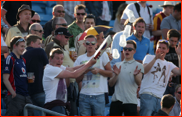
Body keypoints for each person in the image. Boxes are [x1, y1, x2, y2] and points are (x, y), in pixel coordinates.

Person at [43, 48, 96, 115]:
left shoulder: (58, 67)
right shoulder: (51, 69)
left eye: (62, 59)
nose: (60, 61)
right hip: (54, 105)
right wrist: (88, 64)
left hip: (59, 105)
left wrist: (89, 62)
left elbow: (73, 69)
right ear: (50, 59)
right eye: (57, 58)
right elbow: (74, 74)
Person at [139, 39, 181, 116]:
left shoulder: (169, 64)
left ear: (167, 50)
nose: (161, 50)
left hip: (160, 98)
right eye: (159, 47)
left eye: (163, 48)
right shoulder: (149, 57)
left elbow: (180, 72)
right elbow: (144, 70)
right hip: (148, 94)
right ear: (156, 48)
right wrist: (156, 58)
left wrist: (179, 55)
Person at [74, 35, 112, 116]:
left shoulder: (103, 55)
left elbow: (111, 73)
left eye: (92, 43)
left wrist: (99, 70)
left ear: (96, 44)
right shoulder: (79, 59)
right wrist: (84, 71)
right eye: (87, 43)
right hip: (84, 95)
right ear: (84, 44)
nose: (90, 45)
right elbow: (76, 80)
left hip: (99, 95)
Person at [44, 27, 78, 115]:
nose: (68, 39)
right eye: (66, 37)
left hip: (66, 83)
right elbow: (50, 64)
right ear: (59, 36)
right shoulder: (52, 46)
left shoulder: (63, 47)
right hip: (58, 86)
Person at [109, 40, 144, 116]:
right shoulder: (117, 65)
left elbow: (139, 82)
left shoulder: (138, 65)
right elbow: (111, 84)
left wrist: (135, 75)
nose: (127, 51)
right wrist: (116, 75)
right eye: (125, 49)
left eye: (130, 49)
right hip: (116, 100)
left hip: (130, 101)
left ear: (134, 51)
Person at [3, 36, 33, 116]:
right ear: (14, 46)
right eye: (21, 46)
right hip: (16, 96)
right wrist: (13, 93)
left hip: (25, 95)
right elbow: (5, 79)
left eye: (24, 46)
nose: (23, 49)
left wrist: (28, 78)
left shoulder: (23, 59)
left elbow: (20, 76)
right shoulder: (10, 58)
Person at [23, 34, 48, 115]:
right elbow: (47, 68)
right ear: (32, 43)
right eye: (39, 43)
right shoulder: (40, 51)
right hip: (40, 90)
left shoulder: (21, 54)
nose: (40, 46)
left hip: (27, 93)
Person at [164, 29, 181, 96]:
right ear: (168, 38)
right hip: (165, 79)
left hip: (177, 80)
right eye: (171, 41)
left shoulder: (179, 49)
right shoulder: (163, 48)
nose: (173, 43)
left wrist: (179, 54)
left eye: (175, 41)